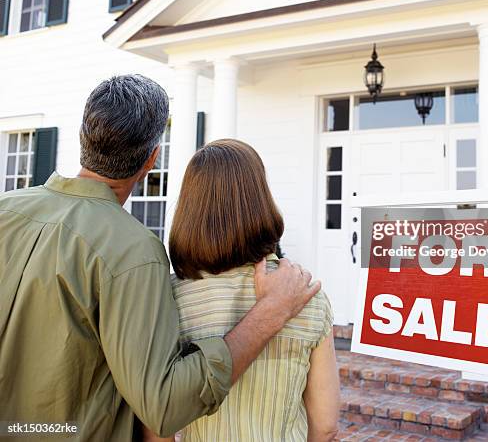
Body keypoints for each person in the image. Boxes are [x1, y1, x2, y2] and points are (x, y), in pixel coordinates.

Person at [0, 75, 320, 441]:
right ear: (153, 158)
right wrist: (272, 311)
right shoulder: (132, 250)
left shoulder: (5, 209)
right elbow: (164, 405)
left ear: (83, 139)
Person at [144, 139, 340, 442]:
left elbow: (159, 430)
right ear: (261, 200)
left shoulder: (169, 301)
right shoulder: (307, 296)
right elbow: (326, 427)